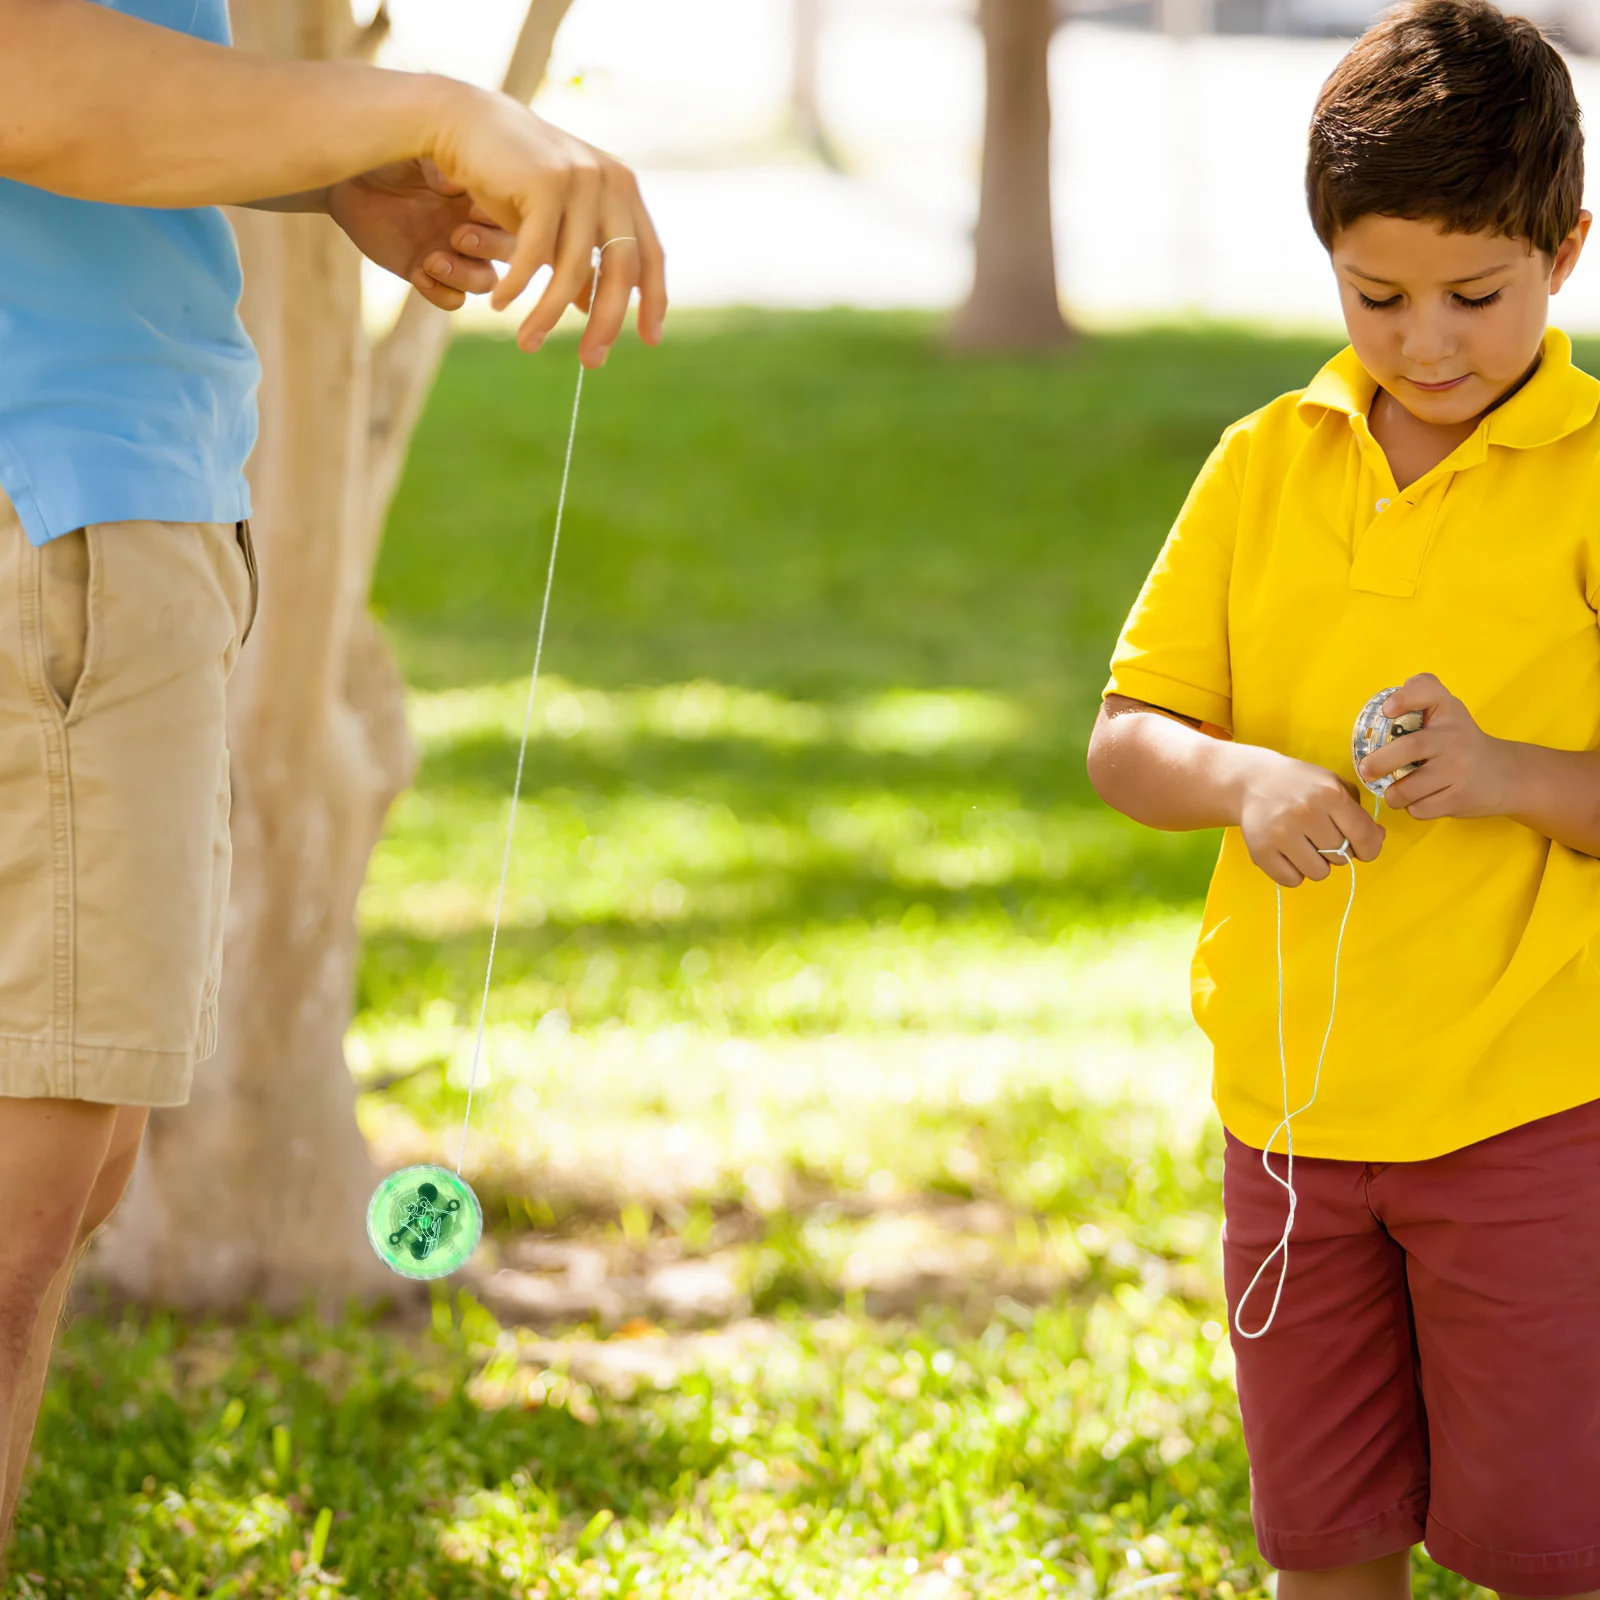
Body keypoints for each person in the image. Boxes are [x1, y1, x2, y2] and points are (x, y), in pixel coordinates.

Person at [0, 0, 665, 1556]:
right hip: (52, 509)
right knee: (22, 1208)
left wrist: (333, 161)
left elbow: (99, 66)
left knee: (65, 1180)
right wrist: (430, 108)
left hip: (115, 498)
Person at [1088, 3, 1600, 1596]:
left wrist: (1509, 775)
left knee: (1547, 1549)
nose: (1427, 341)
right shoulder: (1266, 463)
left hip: (1532, 1112)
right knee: (1326, 1539)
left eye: (1477, 295)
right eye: (1378, 295)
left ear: (1566, 252)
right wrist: (1241, 779)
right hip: (1294, 1121)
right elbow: (1127, 736)